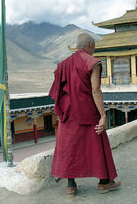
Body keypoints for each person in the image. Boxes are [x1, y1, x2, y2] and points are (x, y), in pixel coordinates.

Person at [49, 33, 121, 197]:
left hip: (68, 113)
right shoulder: (92, 62)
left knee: (69, 146)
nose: (94, 49)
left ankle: (71, 185)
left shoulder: (63, 64)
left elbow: (58, 91)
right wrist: (103, 115)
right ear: (90, 44)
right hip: (88, 111)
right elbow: (95, 89)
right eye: (94, 46)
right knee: (98, 142)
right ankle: (104, 182)